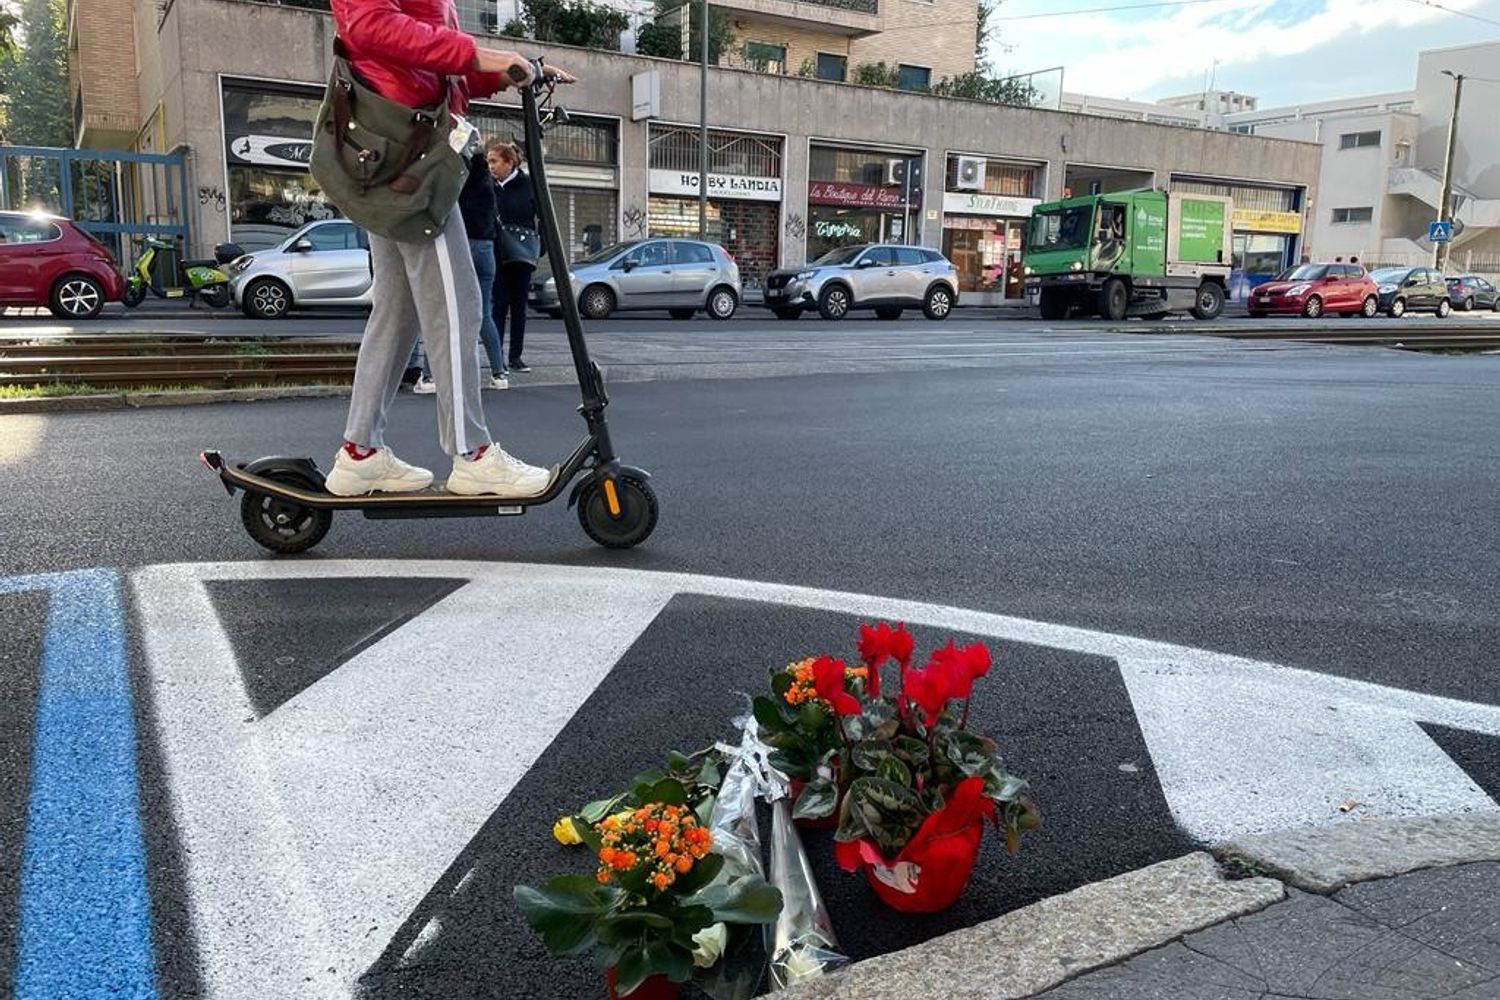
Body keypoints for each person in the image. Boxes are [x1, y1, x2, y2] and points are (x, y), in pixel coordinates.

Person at [323, 0, 572, 499]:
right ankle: (472, 455)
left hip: (400, 157)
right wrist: (480, 55)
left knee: (398, 313)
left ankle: (359, 454)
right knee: (458, 305)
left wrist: (506, 70)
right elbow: (369, 25)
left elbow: (440, 70)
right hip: (406, 160)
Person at [411, 150, 510, 394]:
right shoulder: (488, 186)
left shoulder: (457, 181)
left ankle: (431, 376)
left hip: (461, 247)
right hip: (486, 250)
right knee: (483, 313)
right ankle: (499, 374)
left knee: (443, 312)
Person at [489, 138, 538, 374]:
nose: (491, 166)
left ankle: (515, 355)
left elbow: (541, 217)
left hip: (521, 254)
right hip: (497, 253)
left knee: (519, 306)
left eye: (494, 161)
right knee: (498, 304)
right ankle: (497, 357)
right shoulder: (488, 185)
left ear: (509, 163)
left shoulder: (528, 185)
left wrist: (540, 248)